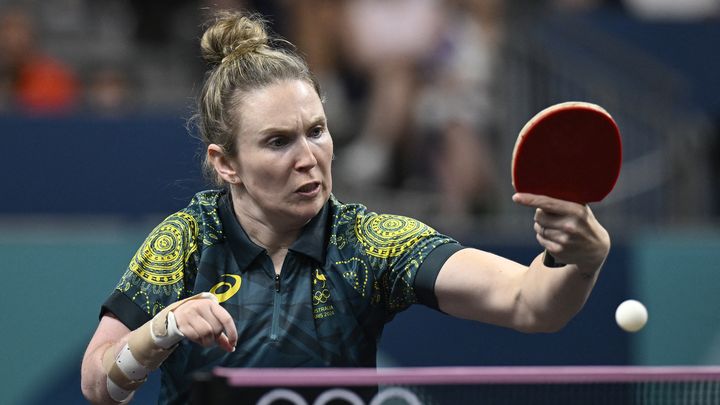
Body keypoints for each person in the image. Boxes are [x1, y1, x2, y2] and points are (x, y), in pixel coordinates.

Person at [80, 11, 611, 405]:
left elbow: (529, 302)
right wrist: (163, 329)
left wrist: (577, 260)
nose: (308, 158)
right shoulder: (189, 240)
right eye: (277, 141)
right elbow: (98, 383)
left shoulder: (369, 244)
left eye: (317, 132)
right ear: (227, 164)